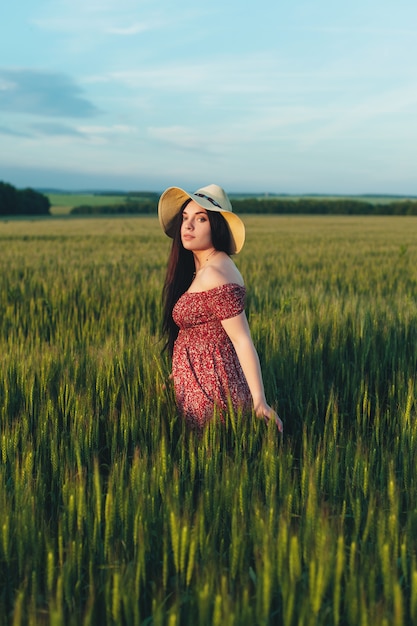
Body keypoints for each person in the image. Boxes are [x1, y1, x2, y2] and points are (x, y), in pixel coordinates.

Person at [158, 183, 283, 433]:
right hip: (197, 384)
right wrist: (180, 370)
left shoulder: (216, 273)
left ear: (217, 226)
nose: (188, 226)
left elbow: (241, 339)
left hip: (211, 392)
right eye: (185, 218)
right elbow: (205, 332)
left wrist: (259, 400)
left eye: (200, 219)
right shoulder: (206, 268)